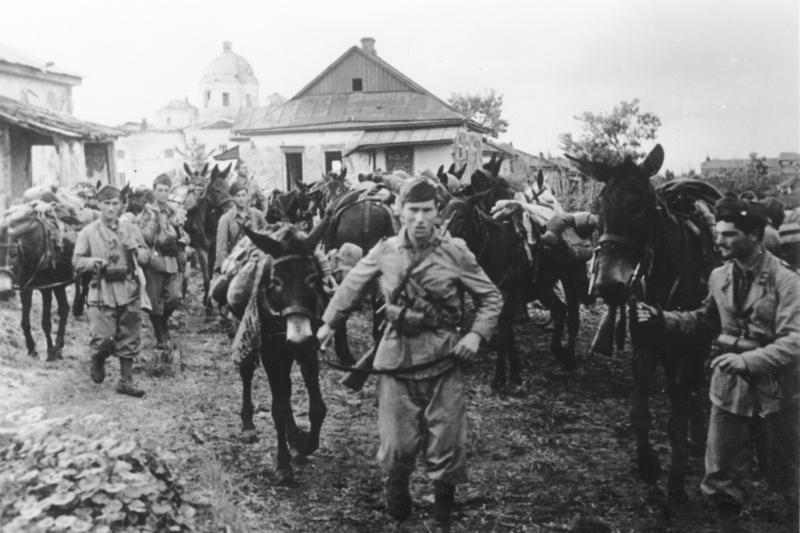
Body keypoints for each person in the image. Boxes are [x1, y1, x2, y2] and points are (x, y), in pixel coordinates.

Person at [317, 178, 503, 529]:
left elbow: (491, 297)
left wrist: (476, 335)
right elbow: (352, 286)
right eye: (413, 210)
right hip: (396, 359)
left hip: (443, 359)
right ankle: (398, 498)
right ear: (399, 212)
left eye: (427, 211)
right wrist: (327, 325)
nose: (419, 219)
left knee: (447, 444)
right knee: (397, 446)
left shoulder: (456, 252)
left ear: (437, 213)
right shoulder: (385, 251)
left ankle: (442, 517)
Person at [636, 196, 800, 532]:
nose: (718, 241)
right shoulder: (718, 276)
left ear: (754, 236)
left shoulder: (786, 281)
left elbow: (794, 340)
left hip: (777, 394)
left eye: (728, 235)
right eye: (719, 233)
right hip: (728, 392)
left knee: (786, 474)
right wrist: (662, 318)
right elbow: (705, 320)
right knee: (722, 476)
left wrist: (747, 360)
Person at [72, 185, 151, 397]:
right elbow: (77, 261)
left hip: (128, 288)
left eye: (115, 203)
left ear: (121, 205)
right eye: (106, 203)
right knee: (103, 338)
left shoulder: (131, 230)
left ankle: (126, 381)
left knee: (130, 334)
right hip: (101, 290)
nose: (111, 208)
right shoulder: (88, 232)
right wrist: (93, 262)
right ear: (99, 204)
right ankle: (98, 358)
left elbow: (147, 257)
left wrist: (136, 250)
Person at [138, 173, 184, 351]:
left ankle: (163, 323)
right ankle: (160, 336)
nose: (163, 194)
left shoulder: (173, 210)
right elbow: (145, 236)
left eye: (166, 190)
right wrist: (155, 220)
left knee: (174, 298)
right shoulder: (148, 211)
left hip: (171, 260)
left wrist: (181, 235)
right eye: (160, 190)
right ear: (154, 191)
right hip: (154, 261)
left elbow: (182, 233)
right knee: (155, 302)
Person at [214, 181, 268, 271]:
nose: (241, 199)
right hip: (237, 262)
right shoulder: (226, 219)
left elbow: (268, 234)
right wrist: (224, 269)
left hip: (257, 259)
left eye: (243, 195)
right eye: (238, 196)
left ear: (247, 196)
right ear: (232, 198)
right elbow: (221, 249)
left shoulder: (256, 214)